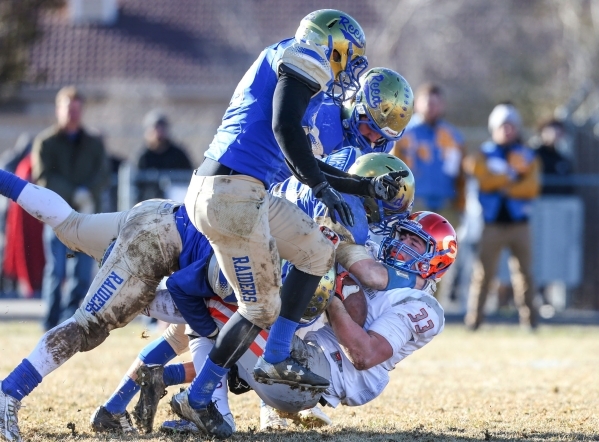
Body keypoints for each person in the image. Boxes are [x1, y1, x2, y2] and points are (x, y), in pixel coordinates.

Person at [179, 9, 407, 439]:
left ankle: (276, 355)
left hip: (246, 192)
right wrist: (322, 189)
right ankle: (197, 397)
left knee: (316, 249)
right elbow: (285, 128)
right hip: (232, 192)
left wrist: (361, 187)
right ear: (331, 42)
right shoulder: (305, 56)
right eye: (350, 55)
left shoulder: (293, 65)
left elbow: (301, 155)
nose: (350, 66)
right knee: (260, 307)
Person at [31, 86, 109, 331]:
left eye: (77, 109)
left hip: (85, 219)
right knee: (56, 271)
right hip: (56, 217)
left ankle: (70, 324)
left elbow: (103, 174)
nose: (73, 114)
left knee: (82, 274)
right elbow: (43, 176)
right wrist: (73, 193)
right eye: (68, 108)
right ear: (58, 110)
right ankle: (50, 324)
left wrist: (88, 193)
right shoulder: (46, 142)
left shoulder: (94, 143)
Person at [464, 103, 540, 331]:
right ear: (493, 128)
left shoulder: (527, 155)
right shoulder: (483, 154)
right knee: (483, 274)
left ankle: (531, 322)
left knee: (525, 274)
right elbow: (484, 181)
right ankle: (474, 322)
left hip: (520, 224)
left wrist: (502, 183)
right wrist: (510, 177)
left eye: (511, 125)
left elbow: (531, 188)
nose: (507, 130)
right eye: (502, 125)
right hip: (492, 224)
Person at [135, 110, 193, 201]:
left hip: (175, 202)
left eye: (162, 127)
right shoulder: (144, 157)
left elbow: (188, 176)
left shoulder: (178, 154)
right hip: (150, 203)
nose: (159, 131)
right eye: (155, 128)